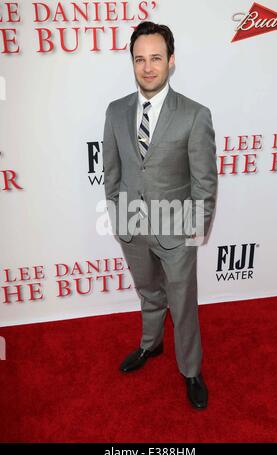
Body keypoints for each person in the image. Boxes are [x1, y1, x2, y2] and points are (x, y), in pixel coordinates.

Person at [102, 21, 218, 409]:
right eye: (140, 59)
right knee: (149, 293)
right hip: (132, 228)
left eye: (156, 58)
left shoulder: (195, 115)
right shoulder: (116, 112)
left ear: (171, 61)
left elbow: (205, 182)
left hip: (177, 231)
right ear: (132, 63)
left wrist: (195, 233)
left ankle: (191, 370)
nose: (147, 67)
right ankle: (150, 345)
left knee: (182, 303)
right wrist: (118, 217)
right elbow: (112, 171)